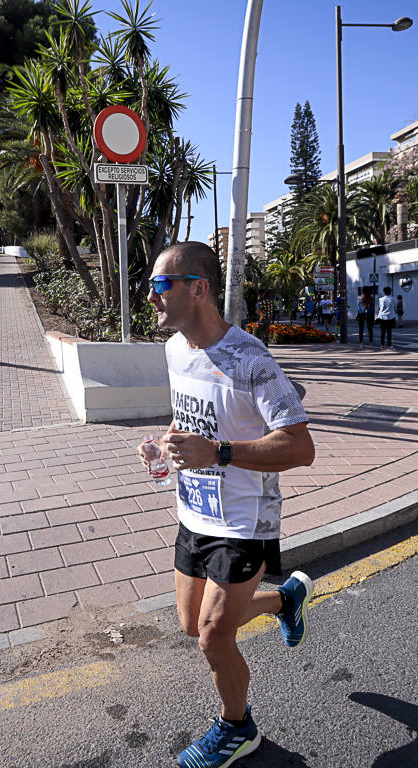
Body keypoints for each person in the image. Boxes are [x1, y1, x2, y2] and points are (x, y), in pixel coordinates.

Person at [137, 241, 315, 768]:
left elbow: (301, 447)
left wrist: (221, 452)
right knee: (193, 624)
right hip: (193, 512)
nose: (151, 296)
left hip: (245, 522)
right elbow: (188, 418)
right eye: (151, 285)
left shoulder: (252, 361)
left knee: (213, 638)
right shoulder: (174, 350)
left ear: (199, 288)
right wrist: (164, 446)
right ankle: (285, 601)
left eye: (160, 285)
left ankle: (238, 727)